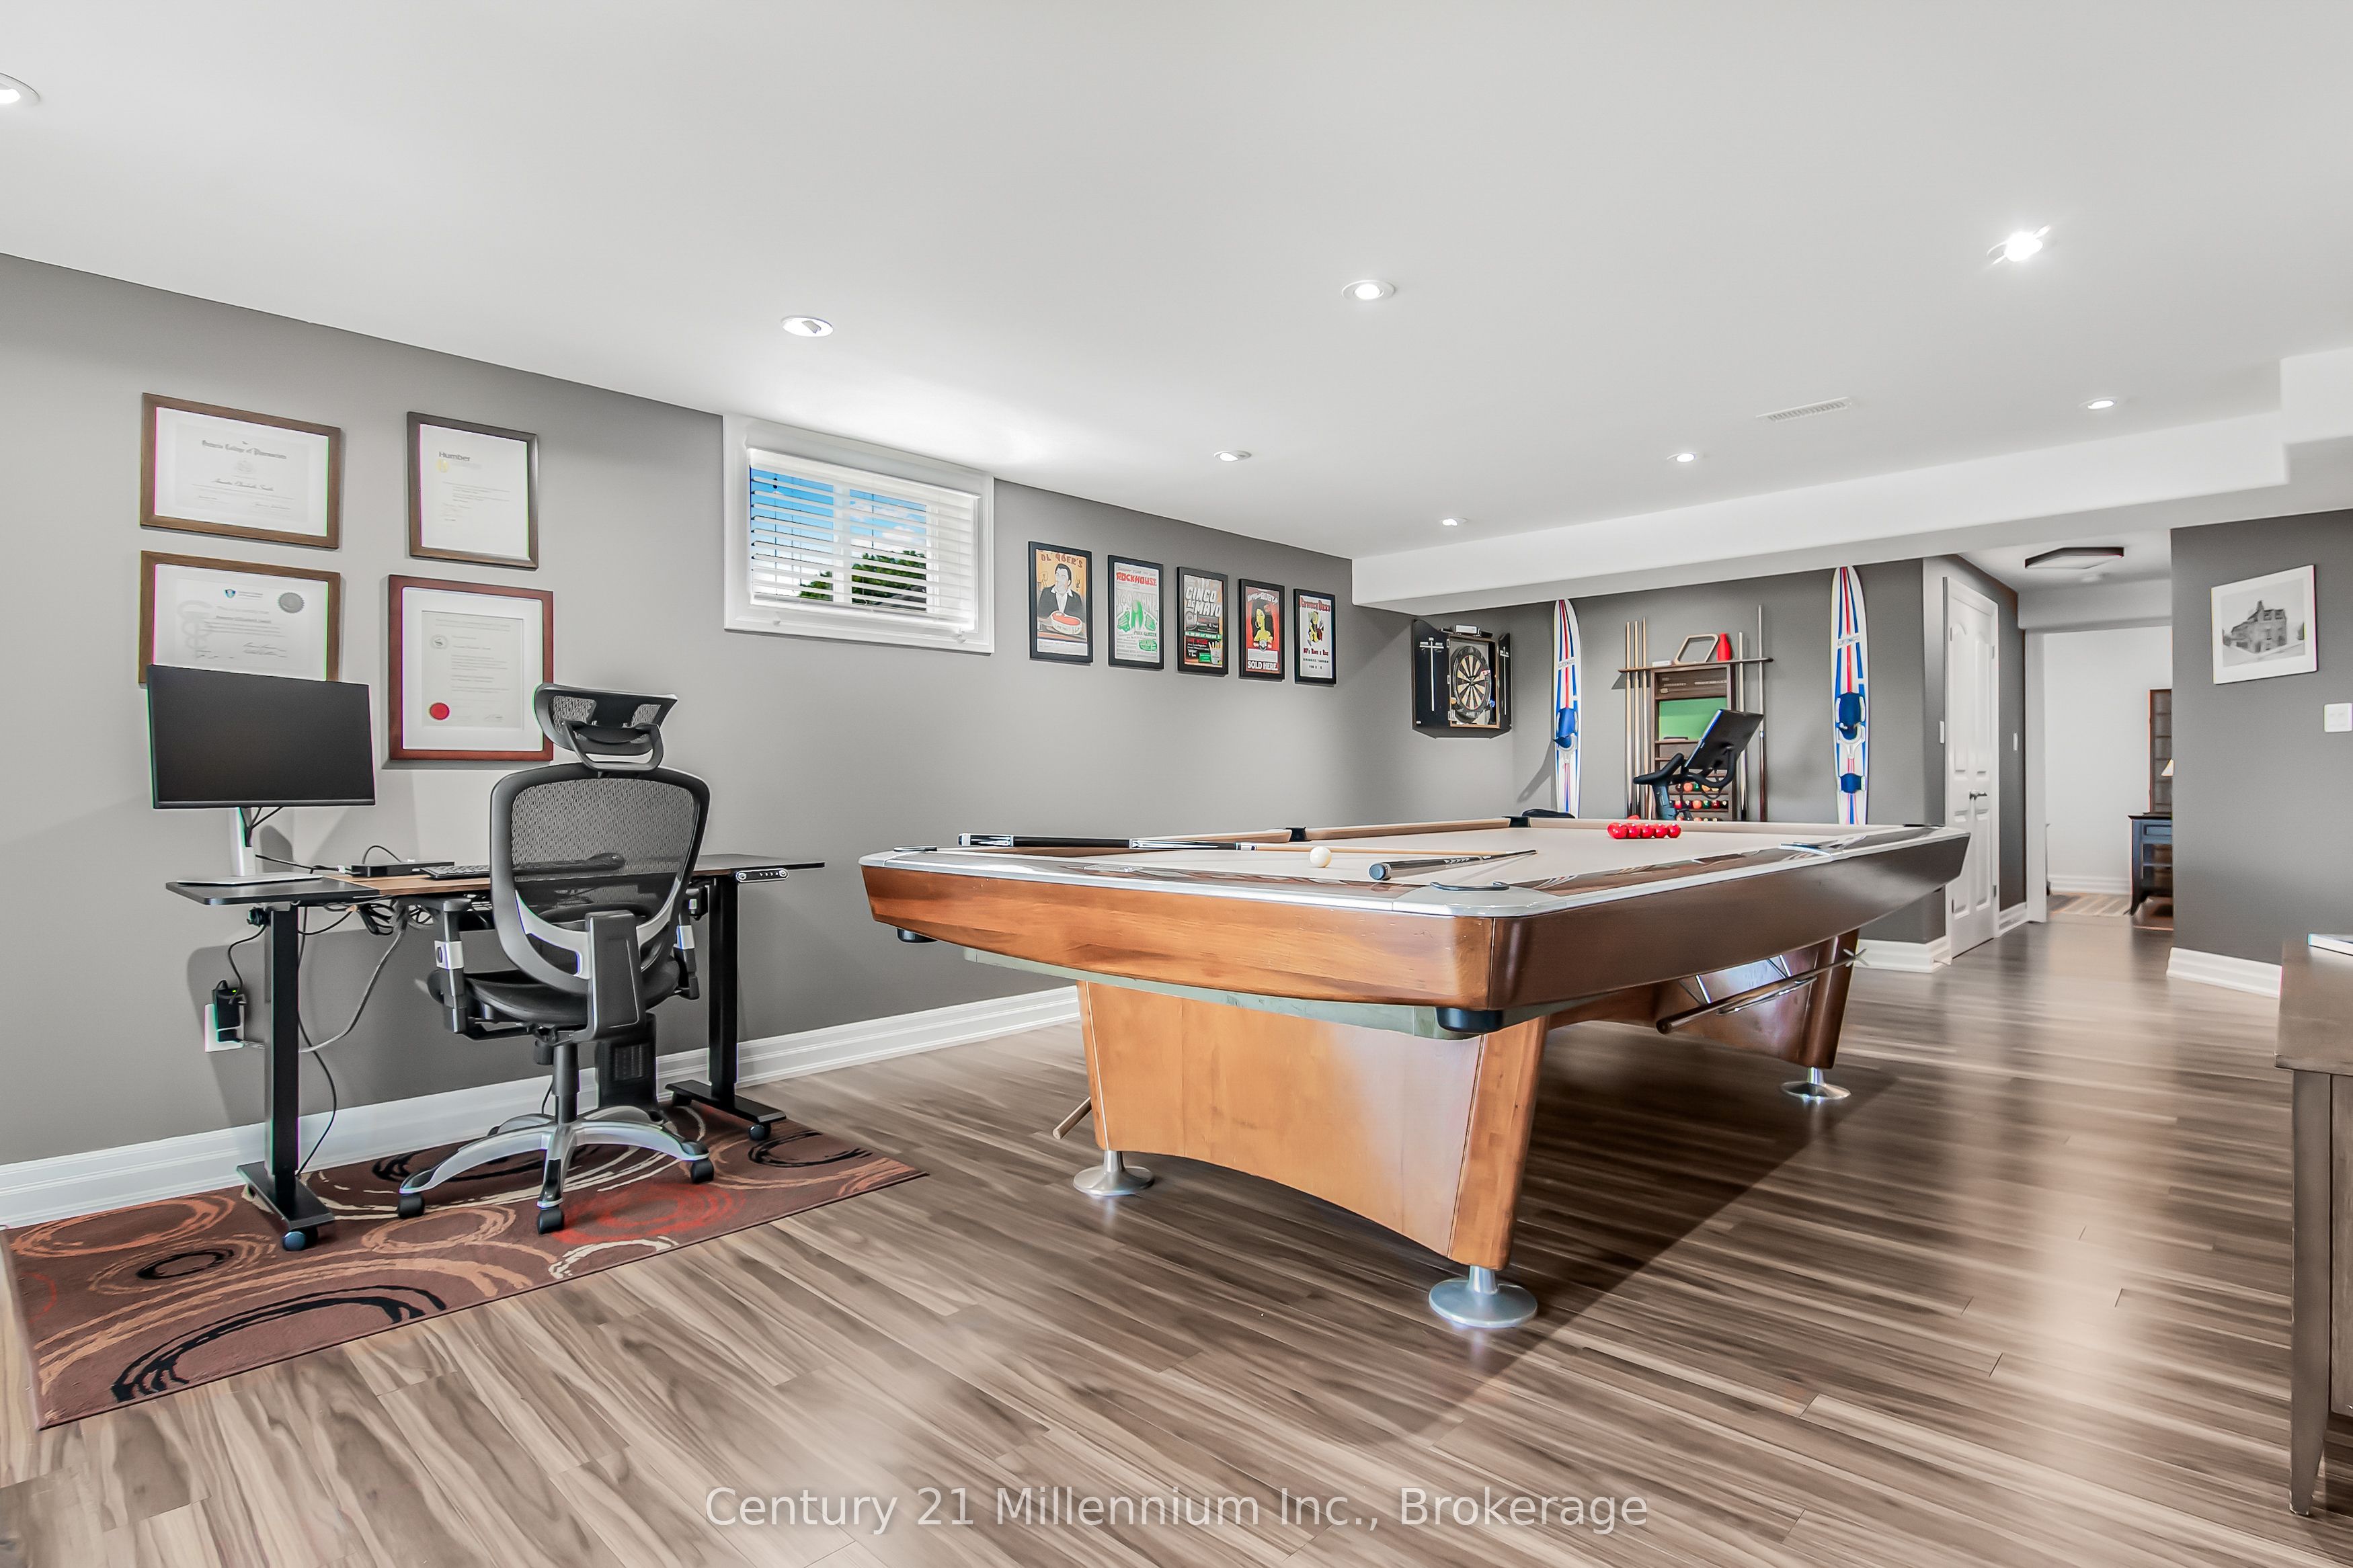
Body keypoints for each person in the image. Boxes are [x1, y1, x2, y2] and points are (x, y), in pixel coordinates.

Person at [1037, 560, 1086, 633]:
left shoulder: (1076, 598)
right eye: (1057, 575)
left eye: (1063, 577)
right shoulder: (1046, 593)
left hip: (1071, 636)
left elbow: (1082, 621)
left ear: (1069, 582)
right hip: (1049, 633)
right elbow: (1039, 616)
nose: (1058, 579)